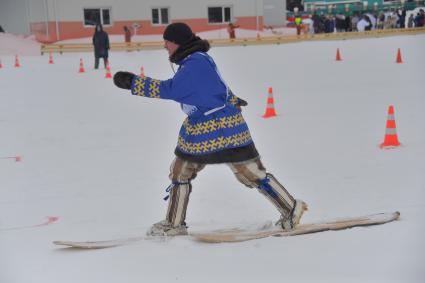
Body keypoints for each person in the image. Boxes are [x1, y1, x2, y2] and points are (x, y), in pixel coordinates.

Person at [113, 22, 307, 236]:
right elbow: (214, 87)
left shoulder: (195, 63)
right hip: (202, 126)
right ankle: (174, 223)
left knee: (249, 173)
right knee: (181, 170)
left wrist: (133, 82)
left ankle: (291, 208)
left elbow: (171, 89)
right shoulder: (194, 60)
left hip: (223, 127)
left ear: (177, 42)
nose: (165, 46)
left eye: (167, 41)